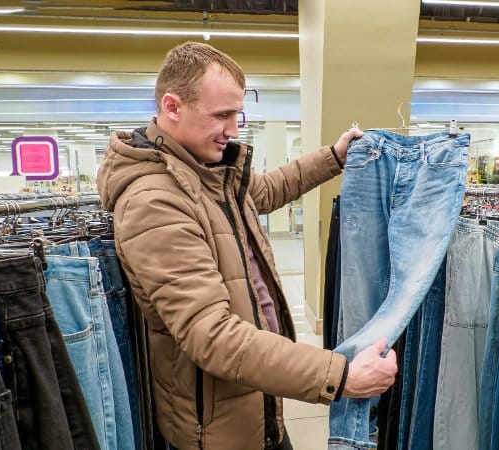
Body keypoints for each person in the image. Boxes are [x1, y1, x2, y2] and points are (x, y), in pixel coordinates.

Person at [96, 41, 397, 450]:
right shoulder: (155, 202)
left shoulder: (206, 172)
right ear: (172, 107)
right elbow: (213, 336)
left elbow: (269, 189)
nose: (234, 129)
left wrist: (333, 157)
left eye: (237, 114)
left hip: (253, 401)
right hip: (219, 428)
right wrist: (339, 376)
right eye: (221, 115)